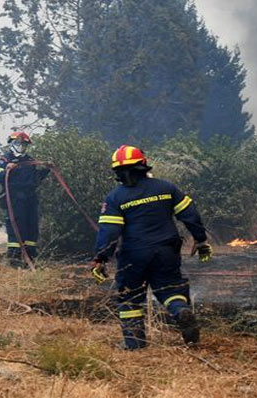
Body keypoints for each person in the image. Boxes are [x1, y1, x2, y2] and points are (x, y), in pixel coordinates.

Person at [91, 145, 213, 349]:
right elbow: (190, 214)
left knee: (130, 296)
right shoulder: (166, 188)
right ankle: (180, 309)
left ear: (118, 172)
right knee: (170, 288)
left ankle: (135, 344)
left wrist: (101, 258)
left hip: (133, 256)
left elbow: (109, 232)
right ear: (143, 165)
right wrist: (200, 240)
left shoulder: (115, 198)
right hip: (167, 251)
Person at [0, 131, 50, 266]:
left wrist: (46, 170)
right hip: (14, 199)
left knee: (32, 225)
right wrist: (7, 169)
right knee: (17, 226)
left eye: (24, 144)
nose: (21, 146)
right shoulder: (5, 160)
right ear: (12, 143)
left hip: (30, 198)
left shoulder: (29, 161)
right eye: (18, 143)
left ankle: (30, 256)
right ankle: (14, 257)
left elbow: (35, 180)